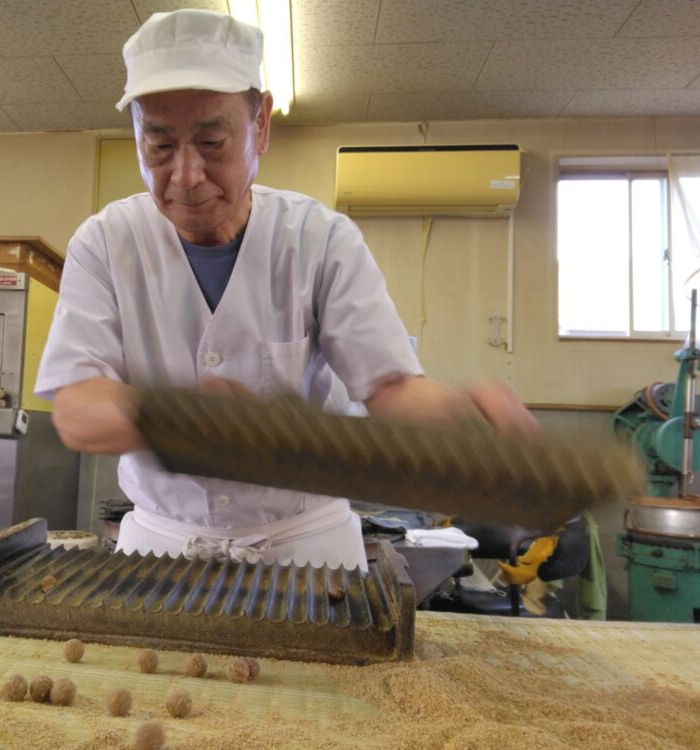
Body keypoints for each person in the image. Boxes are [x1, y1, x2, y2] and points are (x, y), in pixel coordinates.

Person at [35, 9, 537, 570]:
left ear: (261, 126)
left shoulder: (319, 239)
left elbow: (391, 386)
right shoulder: (105, 243)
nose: (185, 176)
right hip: (163, 548)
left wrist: (465, 423)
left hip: (305, 551)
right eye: (158, 146)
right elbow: (78, 406)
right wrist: (189, 421)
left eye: (211, 141)